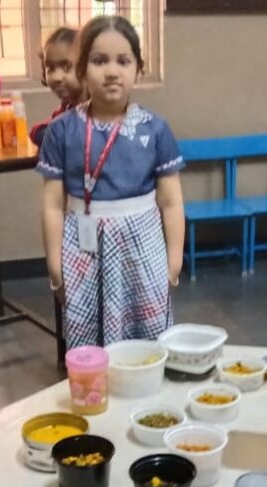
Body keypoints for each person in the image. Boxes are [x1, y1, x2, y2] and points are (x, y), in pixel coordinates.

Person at [36, 15, 185, 349]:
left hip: (143, 246)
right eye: (99, 60)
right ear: (82, 69)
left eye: (123, 61)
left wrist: (173, 264)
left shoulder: (155, 129)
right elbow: (53, 204)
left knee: (148, 342)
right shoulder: (62, 131)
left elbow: (171, 201)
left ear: (138, 69)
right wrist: (55, 267)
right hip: (82, 247)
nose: (112, 71)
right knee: (89, 342)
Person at [30, 27, 80, 147]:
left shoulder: (96, 112)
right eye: (50, 68)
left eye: (67, 67)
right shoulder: (67, 107)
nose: (56, 77)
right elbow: (37, 132)